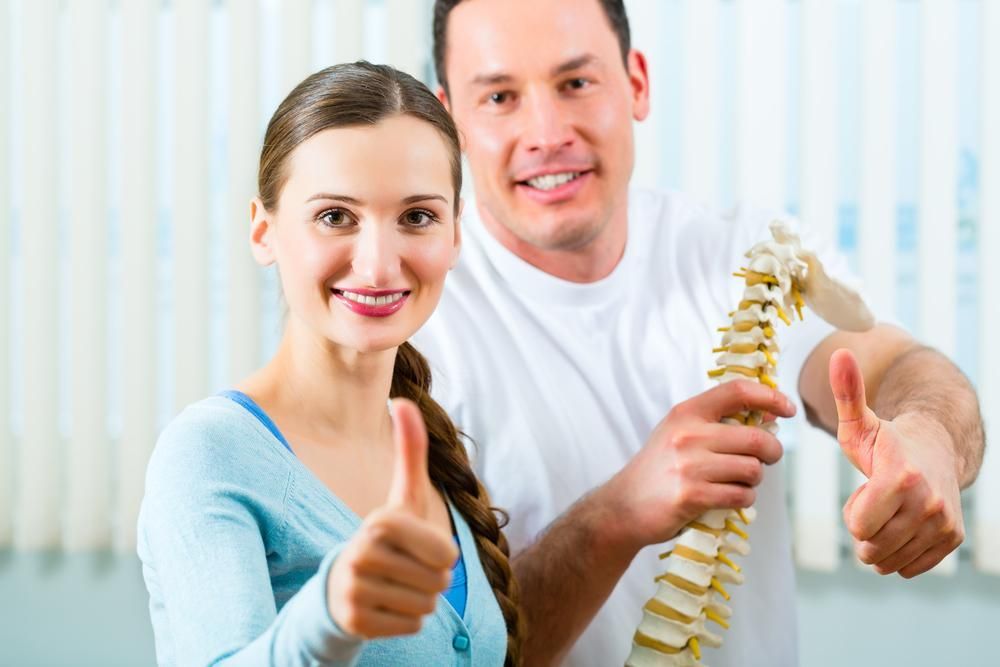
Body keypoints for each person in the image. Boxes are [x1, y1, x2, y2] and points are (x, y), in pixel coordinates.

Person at [411, 0, 987, 665]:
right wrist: (617, 514)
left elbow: (895, 365)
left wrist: (931, 441)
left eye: (576, 83)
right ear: (448, 116)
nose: (546, 131)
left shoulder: (743, 253)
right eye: (500, 96)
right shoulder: (412, 333)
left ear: (637, 84)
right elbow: (442, 653)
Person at [137, 62, 522, 666]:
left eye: (416, 217)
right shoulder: (209, 453)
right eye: (334, 216)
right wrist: (330, 618)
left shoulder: (429, 451)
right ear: (264, 232)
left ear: (454, 234)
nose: (376, 266)